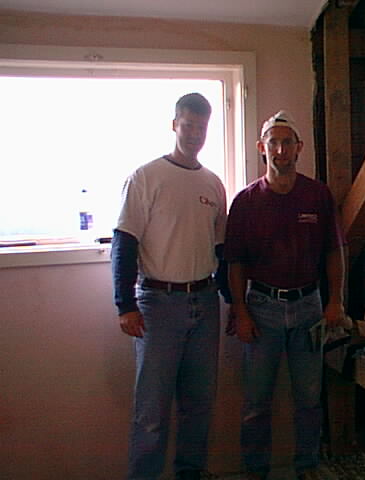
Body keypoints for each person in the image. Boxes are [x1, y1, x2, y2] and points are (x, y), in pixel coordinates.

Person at [224, 110, 346, 480]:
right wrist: (240, 311)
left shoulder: (317, 195)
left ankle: (307, 468)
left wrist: (335, 300)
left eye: (287, 142)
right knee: (256, 402)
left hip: (309, 308)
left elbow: (333, 251)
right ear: (262, 148)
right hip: (261, 310)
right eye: (273, 143)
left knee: (308, 399)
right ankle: (255, 472)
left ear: (299, 148)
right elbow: (235, 262)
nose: (280, 150)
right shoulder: (246, 201)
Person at [111, 93, 227, 480]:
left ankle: (190, 473)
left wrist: (233, 302)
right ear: (175, 125)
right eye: (188, 125)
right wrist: (125, 304)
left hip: (204, 303)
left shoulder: (213, 184)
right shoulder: (146, 177)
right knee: (152, 410)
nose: (194, 134)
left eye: (201, 127)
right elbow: (124, 242)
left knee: (199, 404)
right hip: (158, 305)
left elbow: (221, 249)